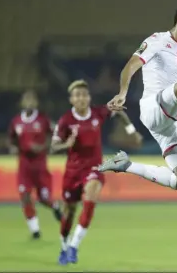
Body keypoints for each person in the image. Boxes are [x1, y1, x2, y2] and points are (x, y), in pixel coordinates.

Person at [96, 0, 177, 192]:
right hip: (153, 108)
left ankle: (126, 165)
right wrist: (123, 92)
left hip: (174, 120)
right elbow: (131, 65)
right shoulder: (157, 40)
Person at [51, 80, 142, 265]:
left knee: (91, 197)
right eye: (77, 95)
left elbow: (118, 111)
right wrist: (66, 145)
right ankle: (64, 246)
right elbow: (53, 146)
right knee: (69, 212)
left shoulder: (98, 113)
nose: (81, 98)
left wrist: (132, 131)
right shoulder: (66, 120)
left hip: (93, 169)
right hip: (72, 173)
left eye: (84, 95)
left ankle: (74, 246)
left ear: (89, 98)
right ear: (71, 99)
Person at [7, 90, 62, 239]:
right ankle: (35, 231)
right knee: (25, 196)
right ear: (22, 102)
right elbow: (11, 140)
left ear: (36, 103)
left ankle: (55, 206)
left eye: (32, 99)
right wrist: (13, 147)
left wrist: (45, 146)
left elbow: (56, 133)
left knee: (44, 199)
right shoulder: (16, 121)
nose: (29, 102)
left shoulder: (43, 120)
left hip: (40, 166)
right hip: (24, 166)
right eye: (26, 99)